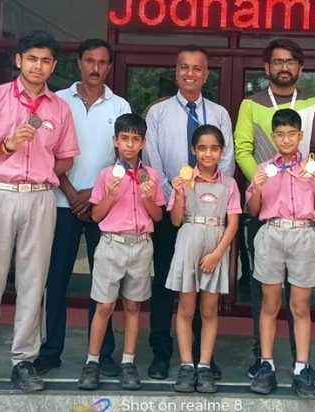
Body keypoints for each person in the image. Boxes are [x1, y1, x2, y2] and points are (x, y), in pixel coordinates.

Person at [0, 31, 79, 393]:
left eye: (45, 61)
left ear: (53, 66)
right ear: (19, 60)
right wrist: (6, 145)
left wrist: (38, 171)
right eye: (32, 59)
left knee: (33, 281)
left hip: (40, 198)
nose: (38, 66)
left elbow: (67, 159)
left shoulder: (59, 108)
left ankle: (24, 361)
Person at [35, 38, 131, 378]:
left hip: (103, 207)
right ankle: (49, 351)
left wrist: (91, 194)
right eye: (89, 61)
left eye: (102, 62)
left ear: (109, 67)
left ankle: (101, 354)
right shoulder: (57, 102)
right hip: (61, 203)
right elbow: (46, 154)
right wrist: (72, 192)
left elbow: (124, 159)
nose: (95, 68)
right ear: (78, 62)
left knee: (103, 284)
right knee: (56, 279)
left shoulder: (120, 106)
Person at [233, 38, 315, 382]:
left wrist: (306, 175)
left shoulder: (314, 103)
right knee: (265, 294)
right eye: (277, 62)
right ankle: (264, 361)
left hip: (300, 213)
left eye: (290, 62)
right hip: (266, 210)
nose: (284, 67)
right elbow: (242, 147)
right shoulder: (251, 103)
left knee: (299, 299)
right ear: (267, 67)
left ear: (300, 68)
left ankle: (300, 363)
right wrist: (263, 178)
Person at [143, 44, 235, 380]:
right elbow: (152, 159)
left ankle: (200, 355)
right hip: (172, 211)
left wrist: (202, 198)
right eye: (184, 67)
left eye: (197, 68)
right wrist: (174, 199)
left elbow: (225, 161)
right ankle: (161, 351)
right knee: (168, 283)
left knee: (202, 284)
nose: (190, 74)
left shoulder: (219, 114)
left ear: (206, 74)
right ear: (176, 71)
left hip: (207, 214)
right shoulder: (158, 113)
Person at [246, 109, 315, 398]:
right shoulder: (263, 170)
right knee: (269, 303)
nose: (285, 139)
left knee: (300, 305)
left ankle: (301, 368)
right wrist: (256, 188)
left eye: (291, 134)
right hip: (272, 232)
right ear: (273, 136)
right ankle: (266, 364)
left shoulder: (312, 170)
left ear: (300, 136)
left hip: (303, 234)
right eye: (280, 134)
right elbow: (253, 211)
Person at [77, 113, 165, 390]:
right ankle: (92, 361)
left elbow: (158, 217)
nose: (129, 144)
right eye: (124, 139)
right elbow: (96, 216)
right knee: (104, 305)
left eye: (135, 139)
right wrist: (111, 195)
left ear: (143, 143)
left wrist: (148, 197)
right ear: (115, 141)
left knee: (133, 305)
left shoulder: (151, 176)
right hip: (112, 243)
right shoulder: (106, 176)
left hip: (140, 245)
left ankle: (128, 362)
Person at [166, 125, 241, 394]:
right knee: (186, 309)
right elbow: (176, 220)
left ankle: (205, 365)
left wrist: (218, 254)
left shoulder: (229, 183)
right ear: (193, 150)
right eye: (202, 148)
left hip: (216, 246)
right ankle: (187, 365)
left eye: (214, 148)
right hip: (188, 242)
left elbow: (232, 224)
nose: (208, 153)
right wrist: (176, 193)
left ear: (222, 151)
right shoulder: (185, 180)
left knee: (209, 309)